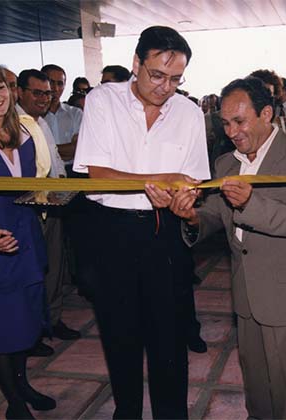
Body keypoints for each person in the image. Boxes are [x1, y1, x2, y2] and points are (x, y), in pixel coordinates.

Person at [162, 77, 286, 419]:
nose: (232, 131)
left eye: (239, 121)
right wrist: (191, 217)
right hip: (246, 300)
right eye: (225, 123)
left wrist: (251, 202)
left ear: (266, 113)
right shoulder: (225, 165)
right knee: (257, 392)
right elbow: (214, 218)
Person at [73, 26, 210, 419]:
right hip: (110, 231)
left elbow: (194, 180)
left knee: (169, 336)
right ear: (136, 64)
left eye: (176, 79)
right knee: (120, 334)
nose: (165, 87)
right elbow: (98, 175)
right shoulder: (102, 101)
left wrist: (185, 196)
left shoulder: (188, 112)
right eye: (157, 75)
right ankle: (127, 410)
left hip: (163, 232)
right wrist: (163, 178)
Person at [0, 55, 55, 419]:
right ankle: (15, 404)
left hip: (28, 245)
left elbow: (30, 189)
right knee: (3, 332)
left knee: (26, 327)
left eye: (0, 86)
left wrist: (50, 195)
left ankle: (22, 384)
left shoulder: (24, 134)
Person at [17, 69, 80, 354]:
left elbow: (54, 161)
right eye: (37, 92)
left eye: (48, 93)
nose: (44, 98)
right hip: (28, 211)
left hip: (52, 205)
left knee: (54, 268)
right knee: (31, 273)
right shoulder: (13, 125)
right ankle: (30, 333)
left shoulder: (41, 123)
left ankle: (52, 320)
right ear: (20, 92)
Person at [41, 64, 82, 177]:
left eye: (60, 83)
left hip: (74, 173)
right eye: (51, 82)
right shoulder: (34, 116)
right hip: (44, 175)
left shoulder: (76, 113)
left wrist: (44, 150)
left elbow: (77, 150)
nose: (55, 88)